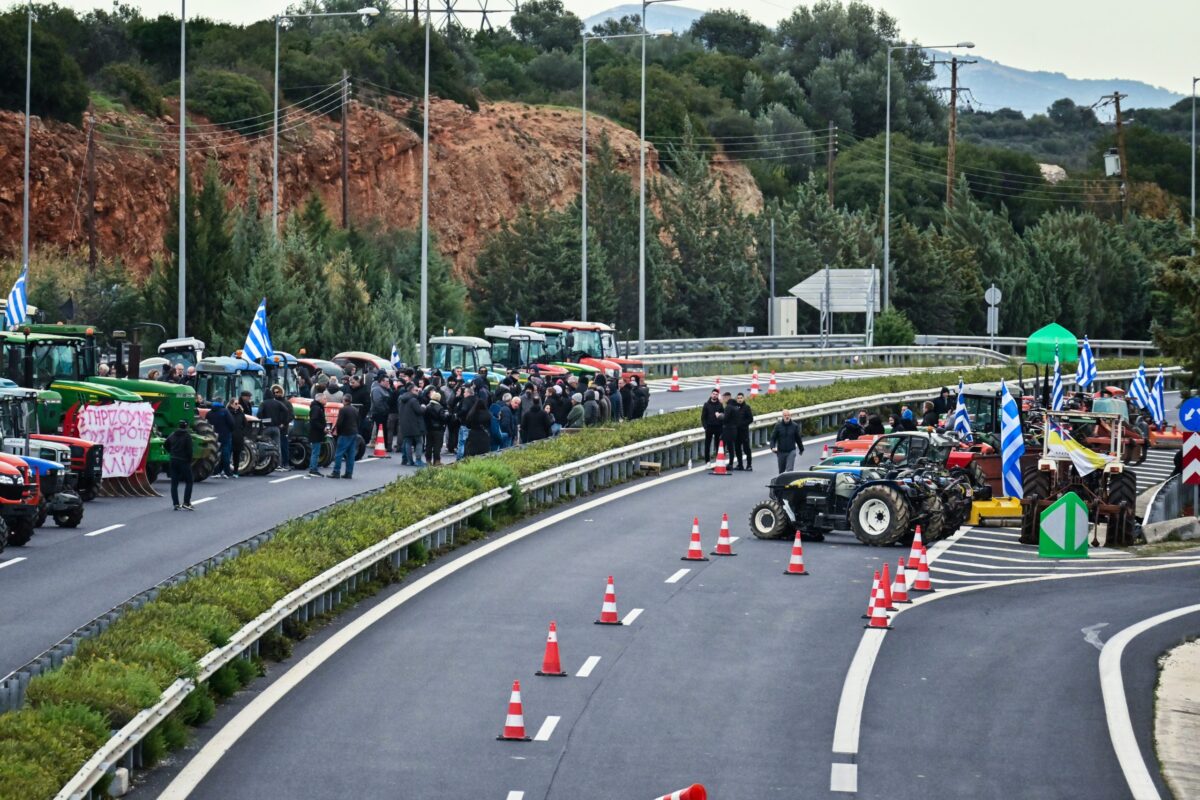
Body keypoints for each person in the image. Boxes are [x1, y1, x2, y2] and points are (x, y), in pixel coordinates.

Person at [259, 385, 293, 470]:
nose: (276, 394)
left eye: (277, 392)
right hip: (277, 428)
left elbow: (259, 413)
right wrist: (283, 422)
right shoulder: (279, 403)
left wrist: (262, 421)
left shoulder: (263, 403)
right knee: (278, 446)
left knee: (264, 445)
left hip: (266, 427)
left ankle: (263, 462)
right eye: (274, 392)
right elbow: (286, 411)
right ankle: (278, 464)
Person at [165, 420, 195, 510]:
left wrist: (171, 452)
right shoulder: (187, 436)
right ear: (186, 426)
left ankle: (176, 504)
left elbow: (166, 444)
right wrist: (189, 460)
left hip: (173, 460)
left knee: (174, 483)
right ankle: (186, 502)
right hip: (184, 461)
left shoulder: (172, 434)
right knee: (189, 481)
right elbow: (190, 450)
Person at [329, 398, 360, 479]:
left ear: (344, 401)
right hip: (354, 433)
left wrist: (337, 432)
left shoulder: (343, 410)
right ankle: (349, 473)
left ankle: (336, 472)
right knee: (351, 454)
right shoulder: (355, 409)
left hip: (345, 433)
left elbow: (339, 422)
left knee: (339, 454)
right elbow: (358, 421)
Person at [397, 383, 426, 466]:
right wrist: (423, 407)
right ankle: (418, 460)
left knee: (408, 442)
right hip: (415, 424)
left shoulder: (401, 399)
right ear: (412, 390)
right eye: (416, 390)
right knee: (419, 442)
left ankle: (410, 461)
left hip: (405, 424)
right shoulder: (413, 400)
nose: (418, 392)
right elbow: (419, 411)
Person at [769, 408, 805, 473]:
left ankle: (788, 482)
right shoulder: (778, 426)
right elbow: (773, 438)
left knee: (789, 470)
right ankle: (781, 483)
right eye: (785, 415)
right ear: (783, 416)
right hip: (781, 452)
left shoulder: (795, 426)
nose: (787, 417)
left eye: (788, 415)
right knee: (781, 471)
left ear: (790, 416)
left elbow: (798, 439)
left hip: (791, 451)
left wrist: (801, 449)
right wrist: (772, 447)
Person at [207, 399, 236, 478]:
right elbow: (232, 423)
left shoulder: (209, 413)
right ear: (221, 403)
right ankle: (227, 471)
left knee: (215, 453)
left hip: (213, 436)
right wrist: (230, 431)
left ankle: (215, 471)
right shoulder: (225, 412)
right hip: (225, 435)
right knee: (226, 453)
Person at [423, 391, 448, 465]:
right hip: (438, 429)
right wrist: (447, 416)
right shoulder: (439, 407)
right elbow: (443, 418)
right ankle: (437, 461)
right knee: (437, 445)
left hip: (429, 428)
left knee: (429, 445)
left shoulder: (427, 406)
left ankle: (428, 460)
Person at [370, 374, 392, 451]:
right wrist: (384, 411)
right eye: (387, 381)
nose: (388, 383)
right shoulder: (377, 389)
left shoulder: (384, 389)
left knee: (384, 430)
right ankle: (381, 445)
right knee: (381, 430)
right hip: (379, 413)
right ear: (381, 381)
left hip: (384, 413)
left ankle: (384, 445)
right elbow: (377, 402)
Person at [701, 389, 724, 462]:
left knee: (718, 445)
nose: (714, 395)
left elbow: (723, 416)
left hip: (718, 427)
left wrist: (721, 425)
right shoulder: (706, 405)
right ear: (711, 394)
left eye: (716, 394)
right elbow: (703, 417)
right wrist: (705, 427)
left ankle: (718, 460)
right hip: (709, 427)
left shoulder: (720, 405)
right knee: (707, 445)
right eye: (713, 394)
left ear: (718, 396)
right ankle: (707, 461)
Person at [733, 392, 754, 471]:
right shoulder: (734, 407)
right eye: (738, 398)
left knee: (746, 449)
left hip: (744, 432)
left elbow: (750, 419)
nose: (739, 400)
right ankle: (740, 464)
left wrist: (743, 424)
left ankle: (749, 465)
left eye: (741, 398)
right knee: (737, 449)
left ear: (743, 398)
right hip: (736, 432)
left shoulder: (746, 407)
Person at [307, 393, 327, 475]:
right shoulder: (316, 408)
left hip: (317, 433)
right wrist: (323, 428)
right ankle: (313, 469)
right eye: (325, 398)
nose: (326, 400)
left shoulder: (318, 407)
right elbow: (314, 421)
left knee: (315, 451)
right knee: (316, 452)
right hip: (316, 433)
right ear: (319, 399)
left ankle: (313, 468)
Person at [720, 392, 740, 468]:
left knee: (722, 446)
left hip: (727, 430)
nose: (723, 399)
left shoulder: (729, 407)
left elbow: (725, 418)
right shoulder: (736, 407)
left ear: (727, 397)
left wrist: (719, 416)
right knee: (731, 447)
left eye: (724, 397)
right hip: (734, 429)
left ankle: (722, 463)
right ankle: (731, 463)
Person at [228, 397, 247, 475]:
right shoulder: (228, 412)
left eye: (238, 403)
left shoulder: (241, 413)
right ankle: (226, 471)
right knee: (227, 454)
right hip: (230, 436)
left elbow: (245, 424)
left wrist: (242, 432)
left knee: (237, 455)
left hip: (238, 437)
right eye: (236, 403)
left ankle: (235, 471)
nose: (237, 405)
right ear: (231, 404)